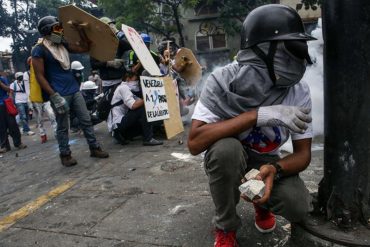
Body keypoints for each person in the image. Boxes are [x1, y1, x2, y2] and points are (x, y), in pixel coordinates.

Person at [187, 4, 316, 246]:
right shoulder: (222, 81)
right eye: (288, 49)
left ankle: (261, 202)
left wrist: (274, 170)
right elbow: (195, 142)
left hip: (266, 161)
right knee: (226, 150)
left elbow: (303, 155)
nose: (298, 57)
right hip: (231, 159)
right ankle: (226, 226)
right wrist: (258, 115)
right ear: (261, 51)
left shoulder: (299, 91)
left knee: (298, 205)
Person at [31, 15, 109, 167]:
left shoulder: (62, 44)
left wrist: (80, 31)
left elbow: (86, 48)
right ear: (47, 31)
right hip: (59, 93)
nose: (60, 31)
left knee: (86, 120)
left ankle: (94, 148)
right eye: (56, 28)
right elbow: (40, 76)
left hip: (74, 90)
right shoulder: (39, 50)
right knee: (62, 126)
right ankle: (65, 155)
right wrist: (54, 96)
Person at [107, 72, 163, 146]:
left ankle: (125, 135)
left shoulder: (128, 89)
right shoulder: (124, 88)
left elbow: (138, 101)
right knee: (143, 109)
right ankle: (148, 139)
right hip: (118, 123)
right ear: (128, 79)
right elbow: (133, 105)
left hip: (121, 123)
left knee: (146, 118)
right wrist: (148, 98)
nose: (136, 82)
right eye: (135, 80)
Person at [90, 17, 131, 93]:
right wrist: (108, 63)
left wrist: (117, 33)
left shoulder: (117, 40)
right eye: (108, 27)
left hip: (121, 79)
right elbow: (93, 64)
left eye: (111, 27)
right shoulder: (96, 44)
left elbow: (129, 46)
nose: (110, 29)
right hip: (107, 82)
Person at [25, 56, 57, 144]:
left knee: (51, 115)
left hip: (46, 97)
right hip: (36, 99)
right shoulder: (27, 74)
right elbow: (28, 89)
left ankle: (56, 132)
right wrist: (29, 101)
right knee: (39, 119)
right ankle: (43, 135)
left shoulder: (43, 70)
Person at [0, 73, 27, 153]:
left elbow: (9, 89)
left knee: (12, 124)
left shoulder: (2, 79)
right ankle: (4, 146)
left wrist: (0, 84)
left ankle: (18, 143)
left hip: (5, 104)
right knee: (1, 127)